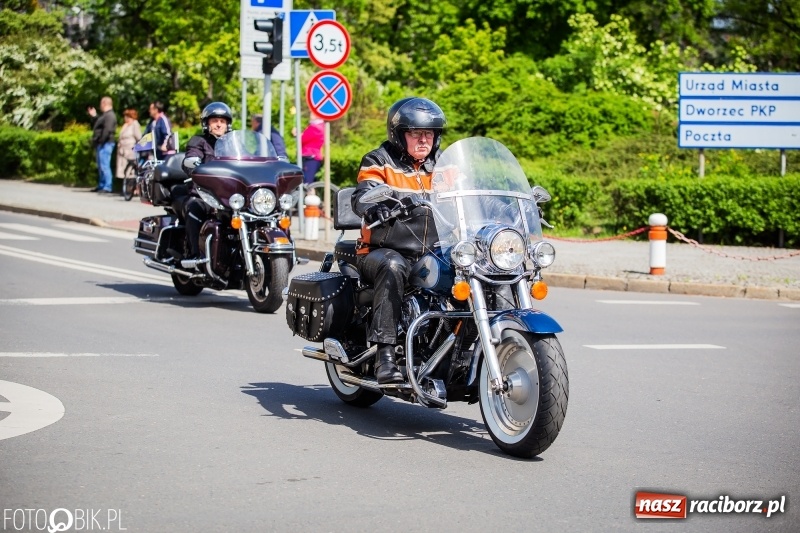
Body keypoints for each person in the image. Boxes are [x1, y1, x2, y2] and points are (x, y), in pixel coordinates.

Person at [350, 97, 446, 384]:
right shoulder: (379, 160)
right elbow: (363, 193)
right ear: (399, 134)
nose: (423, 139)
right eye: (415, 133)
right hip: (382, 250)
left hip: (434, 251)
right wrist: (373, 206)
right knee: (393, 266)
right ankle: (385, 356)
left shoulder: (445, 165)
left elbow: (469, 193)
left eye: (429, 133)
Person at [179, 101, 233, 260]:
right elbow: (190, 159)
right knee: (194, 209)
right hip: (203, 194)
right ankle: (196, 257)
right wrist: (193, 165)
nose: (219, 125)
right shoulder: (198, 141)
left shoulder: (233, 144)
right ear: (206, 123)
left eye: (222, 121)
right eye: (215, 121)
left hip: (229, 196)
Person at [88, 96, 117, 194]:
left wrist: (101, 140)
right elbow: (100, 124)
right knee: (101, 166)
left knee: (105, 165)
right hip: (102, 143)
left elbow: (107, 130)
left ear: (104, 103)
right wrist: (94, 116)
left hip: (106, 143)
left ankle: (107, 186)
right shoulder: (105, 115)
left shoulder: (110, 115)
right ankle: (102, 184)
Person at [115, 109, 142, 187]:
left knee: (130, 171)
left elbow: (139, 138)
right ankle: (125, 187)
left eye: (126, 116)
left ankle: (131, 187)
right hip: (122, 151)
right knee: (124, 170)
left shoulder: (135, 124)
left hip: (130, 151)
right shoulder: (125, 125)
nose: (125, 118)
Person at [299, 113, 324, 184]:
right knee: (309, 182)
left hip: (310, 156)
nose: (310, 115)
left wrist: (298, 135)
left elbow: (303, 139)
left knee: (307, 182)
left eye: (312, 114)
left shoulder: (315, 127)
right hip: (313, 156)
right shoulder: (320, 126)